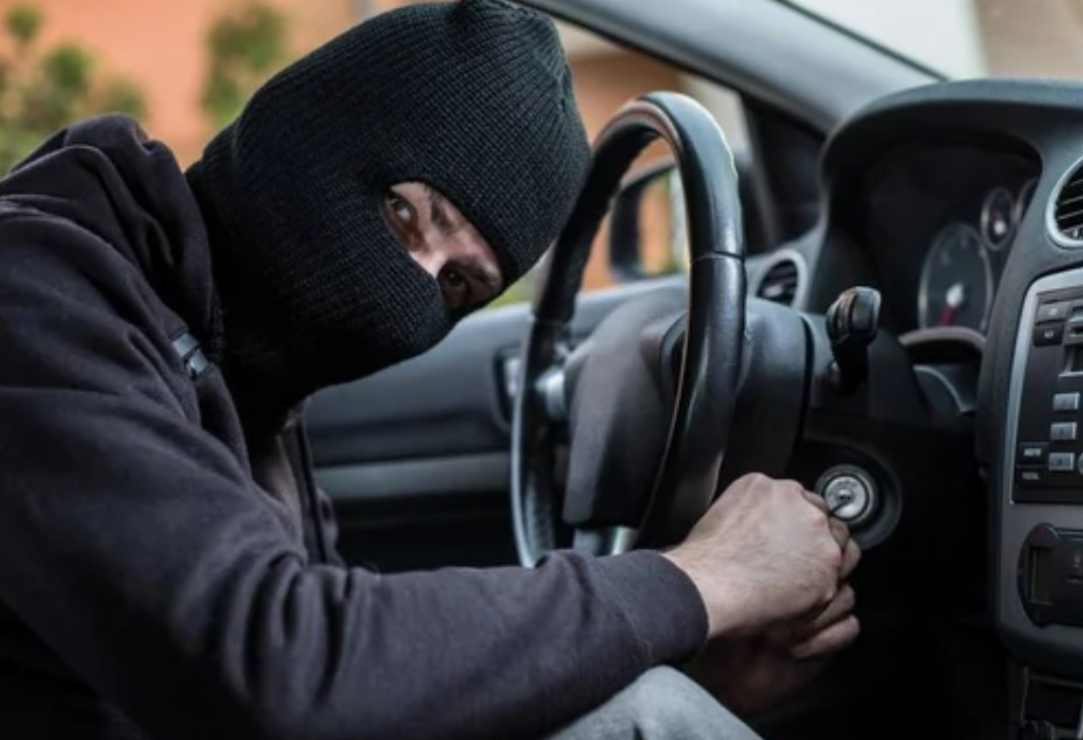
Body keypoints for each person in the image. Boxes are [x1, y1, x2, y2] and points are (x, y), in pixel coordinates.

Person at [0, 1, 860, 738]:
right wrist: (700, 581)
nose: (411, 283)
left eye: (458, 285)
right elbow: (282, 670)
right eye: (406, 217)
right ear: (310, 125)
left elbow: (367, 679)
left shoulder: (241, 383)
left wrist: (698, 667)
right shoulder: (37, 292)